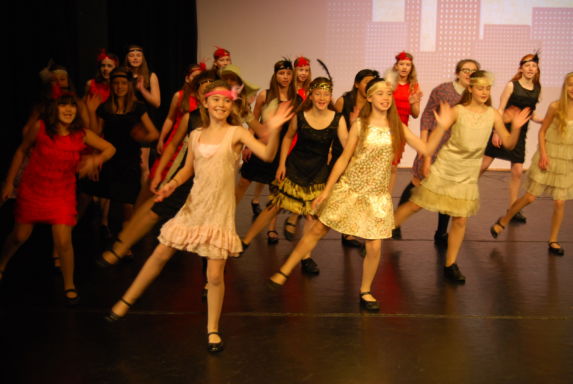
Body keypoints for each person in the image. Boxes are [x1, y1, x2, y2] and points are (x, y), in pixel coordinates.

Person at [104, 81, 294, 354]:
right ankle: (125, 301)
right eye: (215, 100)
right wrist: (171, 184)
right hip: (194, 207)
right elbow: (188, 170)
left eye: (226, 101)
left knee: (215, 275)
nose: (220, 105)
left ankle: (212, 328)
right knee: (159, 254)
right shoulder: (196, 134)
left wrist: (273, 129)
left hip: (219, 212)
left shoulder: (236, 133)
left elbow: (267, 154)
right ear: (205, 103)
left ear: (231, 105)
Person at [266, 77, 448, 311]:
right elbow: (344, 159)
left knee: (373, 246)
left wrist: (441, 126)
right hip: (351, 188)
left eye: (388, 94)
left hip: (376, 195)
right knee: (319, 228)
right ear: (370, 98)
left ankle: (365, 290)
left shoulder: (397, 127)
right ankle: (285, 269)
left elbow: (425, 149)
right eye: (379, 93)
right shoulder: (361, 125)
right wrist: (328, 190)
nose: (385, 98)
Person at [394, 71, 531, 283]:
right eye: (480, 88)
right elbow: (434, 141)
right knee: (415, 204)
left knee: (460, 219)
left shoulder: (493, 114)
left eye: (487, 88)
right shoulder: (458, 110)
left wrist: (516, 128)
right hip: (447, 166)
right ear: (470, 89)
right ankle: (381, 232)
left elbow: (509, 144)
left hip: (468, 172)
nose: (484, 92)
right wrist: (440, 127)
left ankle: (450, 264)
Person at [0, 94, 115, 304]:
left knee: (63, 240)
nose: (69, 109)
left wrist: (95, 159)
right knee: (19, 236)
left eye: (72, 106)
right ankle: (2, 262)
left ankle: (69, 283)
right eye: (63, 105)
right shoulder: (40, 127)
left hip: (62, 192)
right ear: (55, 109)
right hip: (34, 188)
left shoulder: (81, 134)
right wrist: (9, 183)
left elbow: (110, 148)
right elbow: (21, 151)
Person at [96, 71, 217, 267]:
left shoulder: (229, 121)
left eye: (212, 83)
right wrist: (160, 170)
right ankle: (121, 245)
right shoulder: (191, 117)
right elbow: (173, 144)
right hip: (185, 171)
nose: (208, 86)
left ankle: (210, 280)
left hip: (212, 182)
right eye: (204, 83)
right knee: (154, 207)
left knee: (210, 235)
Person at [241, 76, 348, 274]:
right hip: (295, 166)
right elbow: (288, 137)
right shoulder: (300, 116)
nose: (322, 98)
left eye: (326, 94)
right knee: (274, 205)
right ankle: (246, 241)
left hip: (318, 171)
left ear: (330, 96)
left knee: (310, 216)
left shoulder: (337, 119)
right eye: (318, 94)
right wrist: (281, 163)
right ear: (311, 95)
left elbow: (348, 145)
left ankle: (306, 257)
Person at [393, 59, 481, 244]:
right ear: (457, 73)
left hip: (456, 151)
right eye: (465, 70)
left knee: (448, 192)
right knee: (417, 183)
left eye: (473, 71)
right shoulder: (443, 90)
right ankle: (395, 223)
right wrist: (424, 152)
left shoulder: (475, 95)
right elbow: (426, 116)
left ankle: (441, 232)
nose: (469, 74)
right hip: (435, 144)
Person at [490, 72, 573, 255]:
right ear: (565, 87)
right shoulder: (555, 107)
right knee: (530, 197)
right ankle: (504, 220)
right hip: (549, 155)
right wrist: (543, 154)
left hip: (567, 160)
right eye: (570, 85)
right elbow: (542, 132)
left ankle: (553, 240)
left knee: (560, 202)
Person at [86, 67, 159, 231]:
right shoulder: (105, 108)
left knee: (127, 203)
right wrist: (91, 112)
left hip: (129, 160)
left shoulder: (137, 108)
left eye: (123, 83)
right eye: (116, 83)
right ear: (112, 86)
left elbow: (154, 133)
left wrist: (141, 137)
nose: (120, 86)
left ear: (129, 85)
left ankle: (124, 246)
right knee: (90, 194)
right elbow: (96, 134)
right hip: (109, 160)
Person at [237, 59, 300, 242]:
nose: (285, 77)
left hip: (281, 148)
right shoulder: (265, 95)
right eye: (281, 73)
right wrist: (248, 144)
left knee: (275, 189)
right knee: (244, 181)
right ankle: (227, 218)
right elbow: (254, 119)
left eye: (288, 73)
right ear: (275, 75)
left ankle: (271, 229)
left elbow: (294, 129)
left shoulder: (297, 99)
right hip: (260, 143)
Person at [481, 53, 544, 223]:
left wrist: (543, 120)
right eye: (527, 65)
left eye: (534, 66)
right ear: (521, 68)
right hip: (503, 128)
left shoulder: (537, 88)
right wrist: (496, 131)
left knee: (517, 171)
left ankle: (513, 209)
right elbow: (500, 109)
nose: (531, 68)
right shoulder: (512, 85)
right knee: (484, 165)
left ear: (537, 69)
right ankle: (464, 192)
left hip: (520, 133)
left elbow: (531, 113)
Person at [331, 69, 379, 248]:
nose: (369, 85)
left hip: (361, 155)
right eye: (366, 82)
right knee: (337, 192)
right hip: (341, 150)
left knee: (355, 194)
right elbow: (333, 127)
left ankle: (347, 233)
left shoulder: (372, 103)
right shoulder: (344, 101)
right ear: (357, 83)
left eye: (373, 82)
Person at [385, 51, 423, 193]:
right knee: (382, 164)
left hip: (401, 130)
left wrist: (413, 103)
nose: (405, 67)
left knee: (393, 166)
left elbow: (415, 114)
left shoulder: (414, 86)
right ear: (396, 66)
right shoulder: (388, 83)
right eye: (402, 64)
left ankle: (387, 198)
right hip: (384, 128)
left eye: (408, 65)